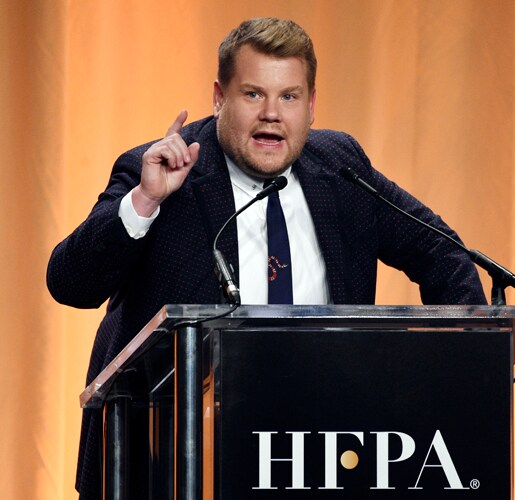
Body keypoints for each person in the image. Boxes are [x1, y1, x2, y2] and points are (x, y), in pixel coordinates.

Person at [47, 17, 486, 499]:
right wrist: (145, 201)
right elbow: (70, 283)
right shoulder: (160, 170)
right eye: (253, 94)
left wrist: (465, 367)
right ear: (220, 98)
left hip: (315, 454)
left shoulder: (340, 166)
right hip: (167, 461)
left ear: (311, 105)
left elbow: (439, 250)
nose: (272, 114)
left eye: (289, 97)